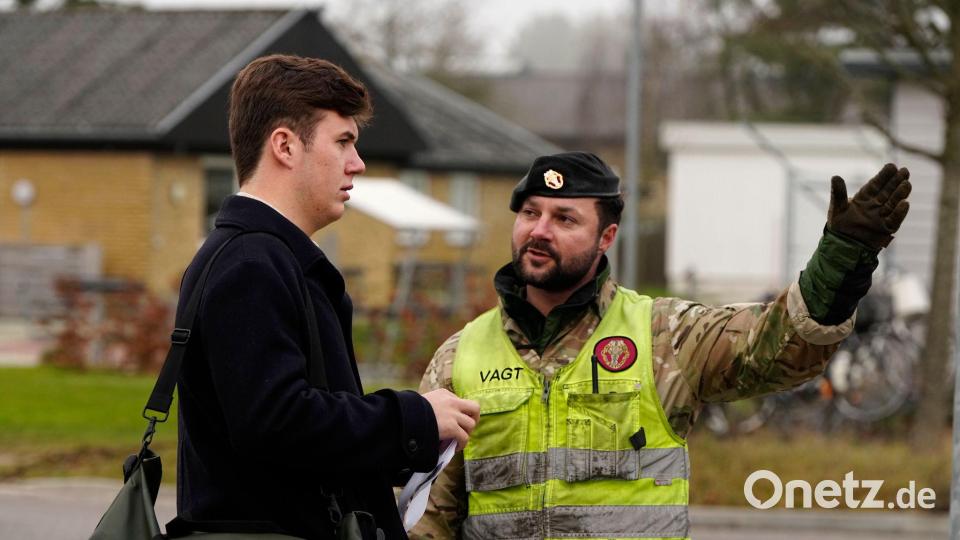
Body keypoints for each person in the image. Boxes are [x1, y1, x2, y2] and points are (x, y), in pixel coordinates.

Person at [409, 151, 910, 539]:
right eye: (530, 213)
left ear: (606, 237)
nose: (539, 231)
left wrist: (841, 259)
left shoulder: (665, 334)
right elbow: (427, 514)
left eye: (564, 219)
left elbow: (774, 346)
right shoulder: (460, 356)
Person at [173, 54, 479, 539]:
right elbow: (275, 422)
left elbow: (301, 443)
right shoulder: (252, 263)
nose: (357, 163)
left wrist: (410, 444)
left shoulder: (265, 256)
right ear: (285, 146)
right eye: (342, 142)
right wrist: (413, 419)